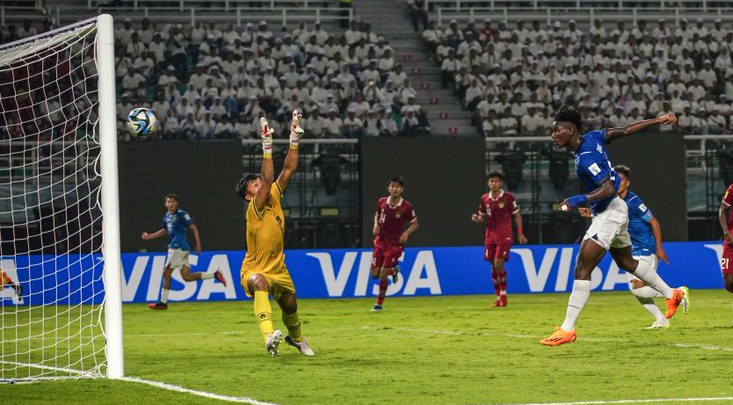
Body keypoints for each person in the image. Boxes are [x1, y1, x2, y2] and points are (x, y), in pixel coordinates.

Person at [541, 105, 688, 346]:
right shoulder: (594, 138)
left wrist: (581, 198)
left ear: (570, 130)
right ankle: (673, 294)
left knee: (582, 267)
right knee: (626, 262)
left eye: (556, 129)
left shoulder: (586, 158)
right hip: (614, 210)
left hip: (610, 213)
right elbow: (627, 130)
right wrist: (657, 120)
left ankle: (567, 329)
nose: (553, 134)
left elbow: (608, 188)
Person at [235, 111, 315, 357]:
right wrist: (266, 145)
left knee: (290, 305)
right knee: (259, 282)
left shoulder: (274, 195)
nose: (262, 184)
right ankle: (269, 336)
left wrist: (294, 138)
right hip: (254, 268)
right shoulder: (254, 208)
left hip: (279, 268)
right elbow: (269, 176)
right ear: (249, 195)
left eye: (259, 182)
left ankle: (297, 339)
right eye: (256, 185)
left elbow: (288, 169)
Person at [579, 165, 671, 328]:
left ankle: (673, 293)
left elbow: (653, 222)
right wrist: (591, 213)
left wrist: (659, 247)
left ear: (627, 183)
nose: (618, 183)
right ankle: (661, 319)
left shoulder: (634, 201)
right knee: (636, 290)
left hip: (644, 248)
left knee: (638, 288)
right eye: (616, 180)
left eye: (622, 180)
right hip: (628, 250)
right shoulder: (611, 202)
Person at [142, 194, 227, 310]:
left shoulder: (182, 214)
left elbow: (193, 227)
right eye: (168, 202)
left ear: (177, 203)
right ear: (165, 204)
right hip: (181, 249)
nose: (170, 204)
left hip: (178, 247)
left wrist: (198, 244)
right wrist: (150, 236)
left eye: (173, 202)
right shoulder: (167, 216)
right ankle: (215, 275)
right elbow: (165, 230)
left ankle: (163, 302)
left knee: (166, 273)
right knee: (186, 277)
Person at [471, 172, 528, 307]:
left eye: (496, 181)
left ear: (501, 183)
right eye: (491, 181)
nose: (493, 184)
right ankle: (498, 297)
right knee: (492, 265)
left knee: (498, 263)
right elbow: (482, 216)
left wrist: (520, 233)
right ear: (488, 183)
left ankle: (504, 295)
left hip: (504, 235)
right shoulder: (484, 198)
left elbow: (517, 215)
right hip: (490, 236)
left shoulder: (508, 198)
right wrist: (477, 219)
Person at [370, 177, 419, 312]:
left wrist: (406, 233)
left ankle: (379, 304)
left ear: (401, 189)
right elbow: (377, 214)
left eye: (397, 187)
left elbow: (415, 223)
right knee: (374, 274)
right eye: (392, 186)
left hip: (394, 244)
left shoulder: (406, 207)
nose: (394, 189)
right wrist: (375, 224)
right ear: (388, 188)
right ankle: (394, 270)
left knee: (382, 275)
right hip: (380, 242)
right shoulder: (381, 201)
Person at [718, 182, 733, 325]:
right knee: (729, 283)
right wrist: (727, 233)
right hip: (731, 240)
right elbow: (722, 210)